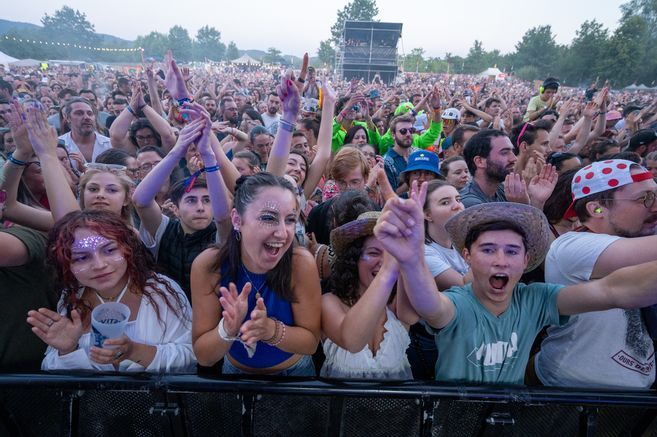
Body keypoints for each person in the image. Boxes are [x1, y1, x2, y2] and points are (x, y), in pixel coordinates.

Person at [376, 191, 657, 385]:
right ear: (467, 257)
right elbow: (430, 306)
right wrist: (411, 257)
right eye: (488, 250)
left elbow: (613, 291)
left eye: (512, 252)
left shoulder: (536, 299)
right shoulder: (458, 302)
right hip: (455, 422)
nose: (500, 261)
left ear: (525, 260)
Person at [534, 159, 657, 388]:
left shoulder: (636, 237)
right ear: (597, 208)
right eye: (645, 198)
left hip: (636, 393)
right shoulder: (572, 246)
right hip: (575, 396)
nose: (655, 206)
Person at [27, 210, 195, 373]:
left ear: (127, 249)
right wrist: (68, 351)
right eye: (82, 258)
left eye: (109, 250)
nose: (99, 265)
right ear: (66, 265)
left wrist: (134, 352)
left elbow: (191, 356)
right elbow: (55, 371)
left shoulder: (161, 291)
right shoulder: (71, 298)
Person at [191, 172, 321, 376]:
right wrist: (227, 329)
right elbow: (204, 357)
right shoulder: (209, 266)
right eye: (268, 218)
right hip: (235, 375)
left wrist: (270, 330)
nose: (282, 233)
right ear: (237, 219)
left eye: (289, 220)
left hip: (294, 376)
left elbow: (311, 343)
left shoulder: (300, 264)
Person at [132, 111, 231, 298]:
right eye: (191, 200)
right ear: (175, 209)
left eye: (207, 200)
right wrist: (178, 150)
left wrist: (208, 156)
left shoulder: (220, 236)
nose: (200, 207)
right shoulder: (163, 230)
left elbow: (224, 215)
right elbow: (141, 201)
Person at [321, 211, 414, 380]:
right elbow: (351, 341)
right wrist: (387, 270)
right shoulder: (329, 303)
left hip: (399, 407)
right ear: (353, 259)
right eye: (373, 253)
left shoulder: (398, 303)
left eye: (391, 253)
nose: (385, 261)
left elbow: (414, 315)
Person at [58, 97, 113, 164]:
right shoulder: (58, 145)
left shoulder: (109, 145)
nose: (86, 117)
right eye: (79, 113)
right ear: (67, 118)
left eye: (90, 113)